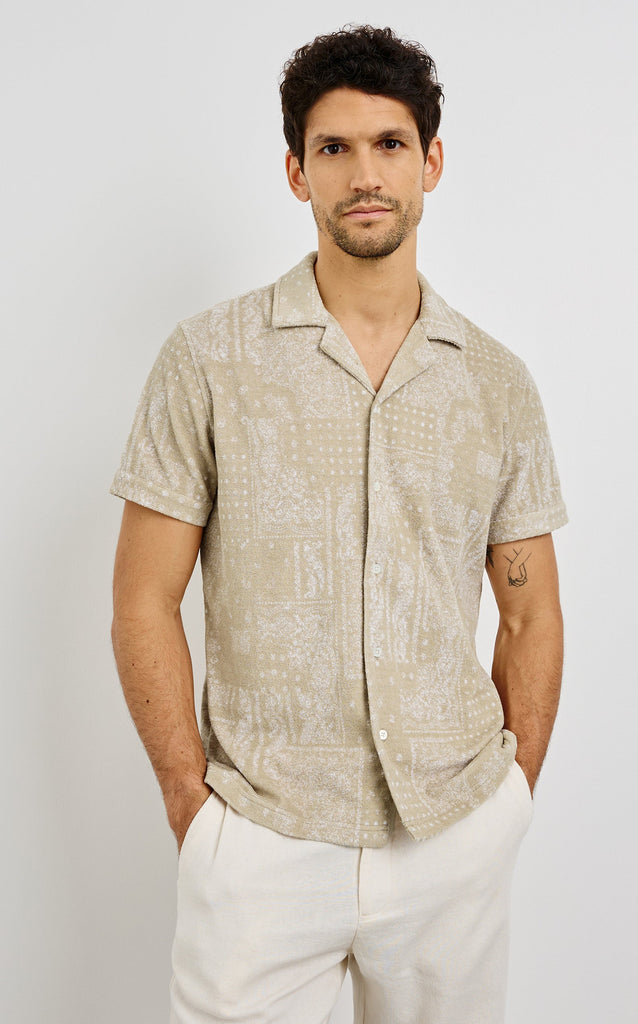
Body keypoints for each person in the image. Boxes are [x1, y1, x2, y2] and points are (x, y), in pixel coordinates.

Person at [110, 24, 568, 1024]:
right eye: (334, 147)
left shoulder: (496, 383)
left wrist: (511, 800)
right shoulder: (210, 360)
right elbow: (143, 597)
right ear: (296, 171)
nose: (364, 174)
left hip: (451, 836)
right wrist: (191, 805)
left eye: (390, 144)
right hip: (261, 839)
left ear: (431, 162)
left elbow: (530, 612)